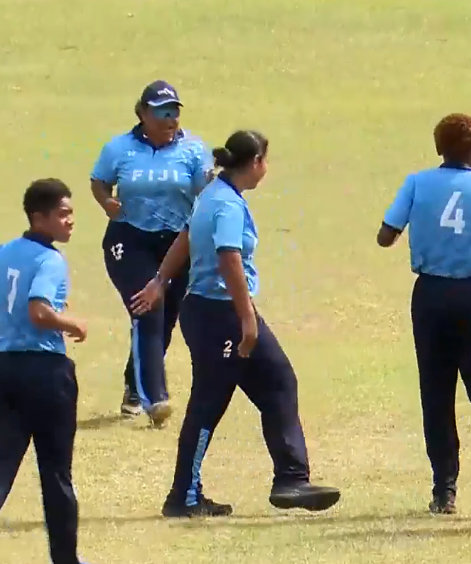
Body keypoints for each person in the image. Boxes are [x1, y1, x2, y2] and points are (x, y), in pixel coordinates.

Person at [129, 130, 341, 517]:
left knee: (278, 382)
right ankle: (183, 496)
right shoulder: (225, 204)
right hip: (220, 315)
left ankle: (292, 479)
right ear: (256, 162)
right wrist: (247, 319)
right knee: (208, 405)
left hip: (212, 311)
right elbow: (229, 259)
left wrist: (161, 280)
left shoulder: (213, 192)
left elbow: (187, 237)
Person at [376, 113, 471, 519]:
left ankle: (444, 491)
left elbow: (385, 236)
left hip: (430, 296)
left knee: (437, 393)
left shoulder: (416, 183)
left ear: (438, 148)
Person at [0, 179, 89, 564]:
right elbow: (39, 311)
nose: (70, 221)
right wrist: (72, 324)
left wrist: (11, 316)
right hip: (46, 372)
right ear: (39, 217)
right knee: (56, 473)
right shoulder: (50, 260)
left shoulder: (4, 252)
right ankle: (65, 559)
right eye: (62, 213)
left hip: (2, 369)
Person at [90, 80, 213, 427]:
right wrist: (106, 202)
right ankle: (155, 397)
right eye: (161, 112)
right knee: (149, 305)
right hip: (129, 240)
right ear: (143, 114)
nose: (169, 119)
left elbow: (206, 193)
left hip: (178, 242)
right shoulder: (119, 148)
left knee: (167, 315)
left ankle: (133, 384)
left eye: (174, 112)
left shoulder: (193, 150)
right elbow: (99, 182)